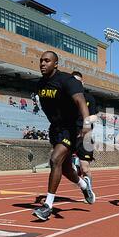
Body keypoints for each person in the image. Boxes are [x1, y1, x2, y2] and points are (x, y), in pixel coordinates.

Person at [32, 51, 95, 221]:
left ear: (56, 63)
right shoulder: (40, 84)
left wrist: (86, 123)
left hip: (71, 127)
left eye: (47, 61)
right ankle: (83, 185)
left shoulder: (67, 81)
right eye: (41, 61)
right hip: (56, 128)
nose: (43, 64)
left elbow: (81, 101)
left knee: (55, 159)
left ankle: (48, 206)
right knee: (66, 168)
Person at [71, 71, 98, 184]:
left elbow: (95, 117)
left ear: (83, 82)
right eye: (73, 82)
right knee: (66, 168)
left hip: (85, 136)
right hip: (70, 134)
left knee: (85, 169)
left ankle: (88, 189)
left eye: (78, 81)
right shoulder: (66, 99)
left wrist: (85, 124)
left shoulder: (89, 98)